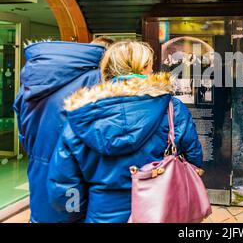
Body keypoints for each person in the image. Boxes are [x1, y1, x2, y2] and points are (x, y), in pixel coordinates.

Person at [47, 41, 203, 223]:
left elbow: (65, 183)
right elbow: (193, 157)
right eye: (150, 67)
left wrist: (75, 215)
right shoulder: (172, 108)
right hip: (160, 211)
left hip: (101, 214)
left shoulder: (82, 114)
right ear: (144, 68)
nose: (152, 72)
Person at [13, 38, 112, 223]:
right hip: (76, 171)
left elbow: (22, 128)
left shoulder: (31, 77)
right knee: (71, 214)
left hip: (38, 165)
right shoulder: (97, 80)